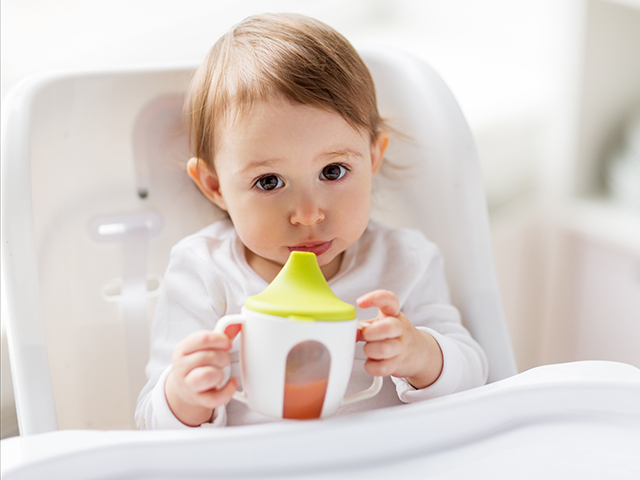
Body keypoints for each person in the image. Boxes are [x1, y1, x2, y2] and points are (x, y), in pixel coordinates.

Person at [136, 12, 488, 429]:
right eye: (269, 181)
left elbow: (475, 377)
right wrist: (183, 396)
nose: (308, 214)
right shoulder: (204, 272)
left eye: (333, 171)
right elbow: (150, 424)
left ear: (373, 159)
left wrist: (422, 354)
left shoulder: (403, 261)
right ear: (214, 186)